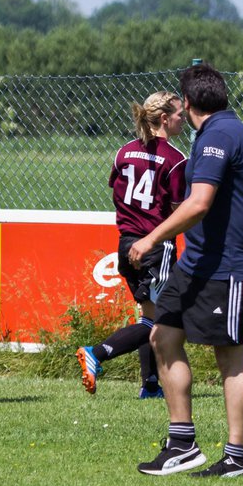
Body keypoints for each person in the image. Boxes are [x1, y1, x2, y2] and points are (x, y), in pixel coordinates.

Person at [131, 64, 243, 477]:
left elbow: (200, 202)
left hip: (228, 266)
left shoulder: (221, 135)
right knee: (163, 335)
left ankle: (237, 458)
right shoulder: (218, 132)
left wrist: (151, 238)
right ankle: (183, 443)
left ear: (187, 102)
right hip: (198, 262)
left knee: (230, 356)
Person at [76, 91, 187, 399]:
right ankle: (96, 353)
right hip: (156, 245)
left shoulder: (124, 152)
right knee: (160, 319)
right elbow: (179, 210)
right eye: (179, 114)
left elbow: (117, 190)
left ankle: (151, 385)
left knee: (148, 314)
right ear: (164, 119)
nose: (183, 119)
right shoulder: (176, 160)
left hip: (126, 244)